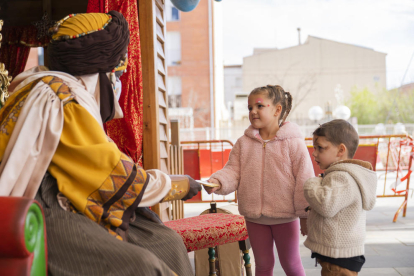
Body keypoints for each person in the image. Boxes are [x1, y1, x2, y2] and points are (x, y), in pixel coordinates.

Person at [0, 11, 201, 276]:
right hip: (46, 207)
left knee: (165, 242)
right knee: (142, 266)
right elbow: (113, 176)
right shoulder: (64, 99)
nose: (116, 84)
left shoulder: (43, 86)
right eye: (115, 74)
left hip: (69, 197)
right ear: (99, 71)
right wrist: (177, 185)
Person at [204, 85, 314, 276]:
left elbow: (305, 180)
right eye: (250, 107)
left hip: (285, 217)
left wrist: (305, 216)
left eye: (260, 106)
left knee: (291, 264)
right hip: (255, 217)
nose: (253, 111)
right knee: (263, 265)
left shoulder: (293, 142)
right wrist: (218, 182)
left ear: (277, 110)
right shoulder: (243, 143)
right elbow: (233, 170)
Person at [303, 119, 377, 276]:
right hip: (340, 256)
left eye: (320, 148)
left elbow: (326, 205)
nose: (314, 153)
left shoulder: (342, 177)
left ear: (340, 150)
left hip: (337, 260)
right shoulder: (344, 174)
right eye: (314, 148)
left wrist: (312, 183)